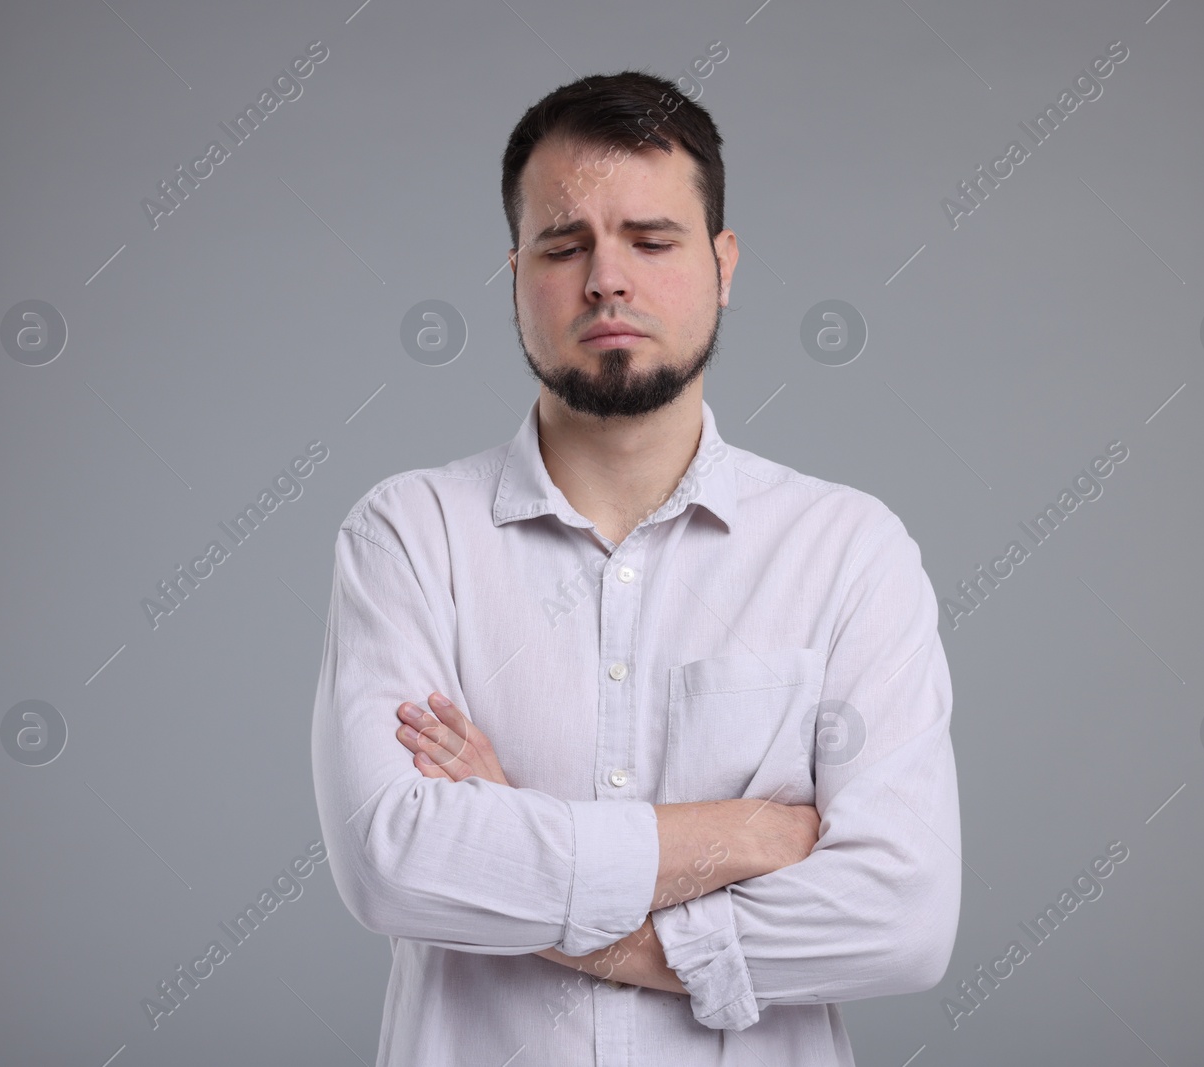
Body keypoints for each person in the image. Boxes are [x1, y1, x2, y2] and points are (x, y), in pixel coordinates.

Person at [310, 69, 960, 1066]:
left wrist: (519, 853)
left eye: (651, 241)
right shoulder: (410, 533)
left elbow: (901, 917)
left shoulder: (847, 550)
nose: (606, 278)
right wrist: (741, 834)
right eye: (564, 246)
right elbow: (392, 864)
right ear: (516, 273)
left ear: (722, 263)